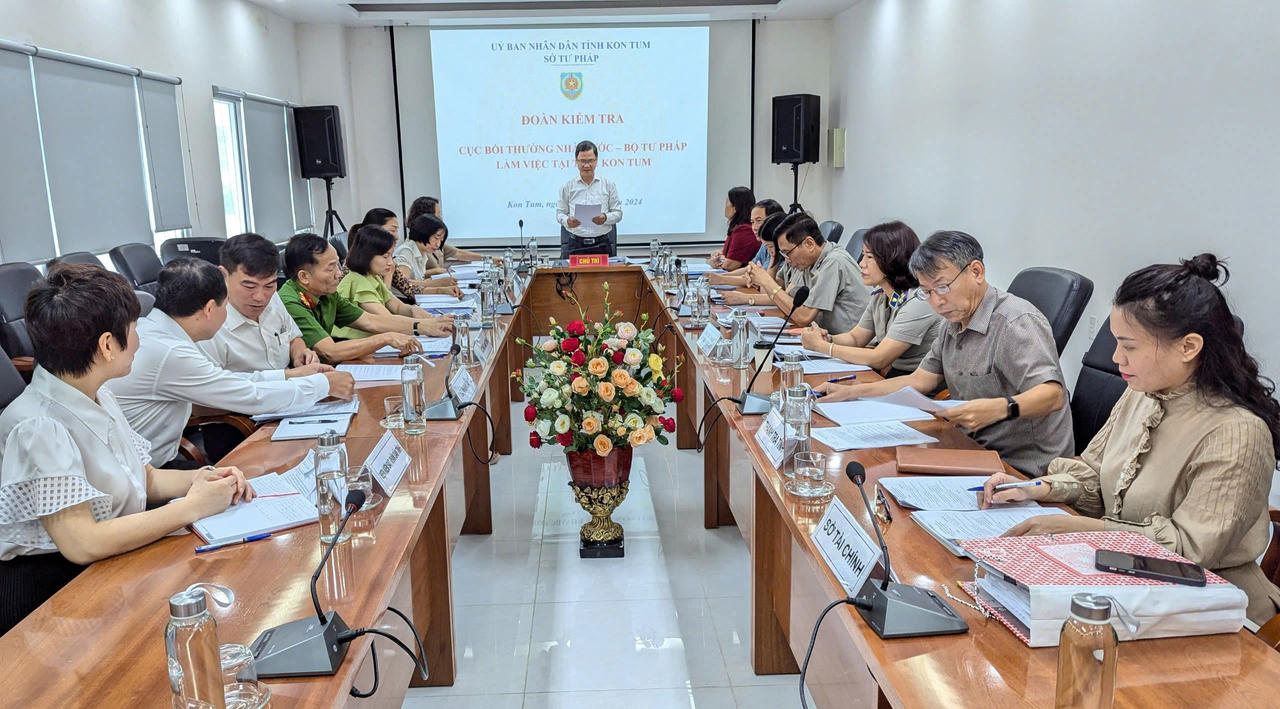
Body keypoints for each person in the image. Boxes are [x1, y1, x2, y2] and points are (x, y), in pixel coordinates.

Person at [979, 254, 1280, 627]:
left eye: (1130, 346)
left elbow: (1190, 549)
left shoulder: (1237, 432)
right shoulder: (1143, 393)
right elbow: (1096, 473)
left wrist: (1075, 527)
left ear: (1189, 347)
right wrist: (1036, 488)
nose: (1116, 357)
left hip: (1217, 612)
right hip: (1131, 587)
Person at [0, 264, 253, 634]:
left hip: (112, 561)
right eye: (134, 329)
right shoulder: (39, 426)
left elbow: (143, 478)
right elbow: (82, 543)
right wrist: (192, 507)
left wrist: (204, 479)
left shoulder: (96, 392)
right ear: (107, 345)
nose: (138, 340)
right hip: (56, 596)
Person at [816, 230, 1074, 475]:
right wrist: (852, 392)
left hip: (1020, 467)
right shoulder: (952, 321)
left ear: (976, 271)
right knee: (873, 466)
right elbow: (919, 381)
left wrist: (999, 408)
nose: (937, 302)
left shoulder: (1015, 322)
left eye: (942, 287)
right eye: (927, 292)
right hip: (970, 448)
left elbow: (1053, 395)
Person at [106, 259, 352, 468]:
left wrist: (292, 376)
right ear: (210, 309)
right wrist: (323, 385)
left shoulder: (158, 331)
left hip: (145, 466)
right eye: (226, 306)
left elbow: (228, 381)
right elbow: (249, 396)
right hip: (143, 476)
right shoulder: (170, 352)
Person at [800, 221, 941, 377]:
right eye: (863, 255)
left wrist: (822, 347)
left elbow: (879, 358)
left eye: (869, 257)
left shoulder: (919, 302)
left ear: (893, 259)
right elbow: (856, 338)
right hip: (891, 374)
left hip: (914, 380)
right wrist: (826, 338)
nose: (861, 264)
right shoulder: (881, 294)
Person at [279, 233, 445, 363]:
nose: (339, 273)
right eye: (330, 268)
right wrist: (386, 338)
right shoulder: (290, 302)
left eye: (338, 264)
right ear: (304, 277)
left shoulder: (327, 293)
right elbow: (330, 351)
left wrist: (424, 326)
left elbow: (370, 321)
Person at [198, 233, 329, 378]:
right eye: (249, 286)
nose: (260, 297)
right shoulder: (208, 326)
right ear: (224, 275)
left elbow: (293, 337)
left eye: (269, 285)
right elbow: (216, 386)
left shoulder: (273, 297)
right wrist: (289, 375)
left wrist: (300, 353)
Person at [741, 212, 870, 332]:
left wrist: (766, 282)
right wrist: (760, 278)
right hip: (826, 336)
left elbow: (803, 317)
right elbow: (784, 293)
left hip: (852, 343)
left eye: (787, 253)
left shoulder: (833, 262)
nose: (787, 260)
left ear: (809, 244)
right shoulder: (808, 260)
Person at [337, 226, 446, 339]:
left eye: (391, 256)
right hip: (348, 342)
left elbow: (397, 307)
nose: (390, 262)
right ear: (366, 255)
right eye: (385, 257)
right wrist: (426, 325)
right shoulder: (358, 281)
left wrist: (414, 310)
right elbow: (387, 320)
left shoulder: (373, 277)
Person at [555, 140, 622, 258]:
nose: (586, 165)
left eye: (590, 161)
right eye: (582, 161)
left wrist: (605, 218)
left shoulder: (608, 185)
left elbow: (618, 213)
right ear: (576, 161)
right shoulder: (568, 186)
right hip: (576, 245)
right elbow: (560, 213)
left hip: (602, 245)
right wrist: (567, 221)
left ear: (596, 161)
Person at [709, 198, 784, 286]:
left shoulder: (782, 247)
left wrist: (722, 279)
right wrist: (720, 276)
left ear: (772, 221)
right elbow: (749, 268)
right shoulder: (764, 245)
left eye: (758, 221)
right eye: (752, 222)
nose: (754, 227)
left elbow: (765, 282)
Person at [393, 214, 466, 290]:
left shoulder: (422, 252)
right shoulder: (406, 251)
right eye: (436, 238)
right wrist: (434, 283)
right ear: (423, 233)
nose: (438, 244)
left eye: (441, 240)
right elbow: (403, 284)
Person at [406, 196, 483, 263]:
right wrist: (435, 271)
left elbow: (459, 253)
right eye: (438, 214)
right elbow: (412, 273)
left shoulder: (436, 241)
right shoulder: (413, 245)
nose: (441, 218)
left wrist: (487, 259)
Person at [706, 186, 759, 271]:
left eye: (727, 202)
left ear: (735, 207)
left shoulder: (744, 230)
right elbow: (728, 256)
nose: (725, 207)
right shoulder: (738, 227)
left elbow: (729, 266)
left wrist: (715, 261)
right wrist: (720, 255)